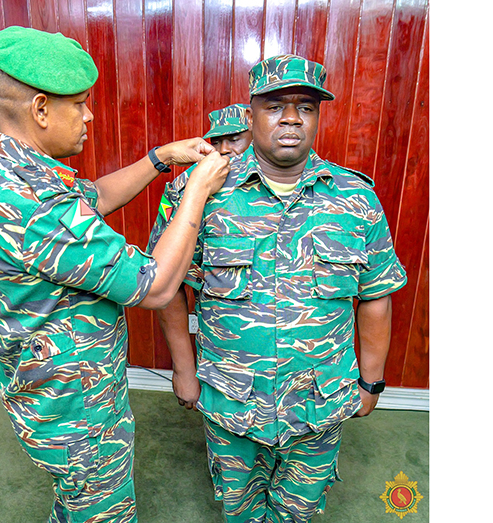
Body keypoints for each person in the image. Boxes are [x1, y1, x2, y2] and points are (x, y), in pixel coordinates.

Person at [0, 26, 229, 522]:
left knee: (75, 507)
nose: (89, 115)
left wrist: (161, 159)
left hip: (63, 390)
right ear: (41, 109)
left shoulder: (10, 168)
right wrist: (196, 192)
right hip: (75, 413)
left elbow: (96, 198)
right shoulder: (31, 202)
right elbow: (156, 285)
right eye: (80, 104)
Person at [147, 54, 408, 522]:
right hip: (232, 400)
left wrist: (370, 381)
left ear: (317, 117)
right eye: (275, 106)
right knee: (238, 509)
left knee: (299, 513)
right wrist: (184, 372)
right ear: (250, 115)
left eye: (305, 107)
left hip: (319, 403)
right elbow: (167, 291)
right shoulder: (198, 191)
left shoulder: (356, 197)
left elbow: (375, 295)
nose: (291, 118)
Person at [155, 103, 253, 405]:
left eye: (234, 139)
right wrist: (184, 369)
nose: (224, 151)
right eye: (216, 142)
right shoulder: (184, 188)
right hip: (226, 373)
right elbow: (165, 281)